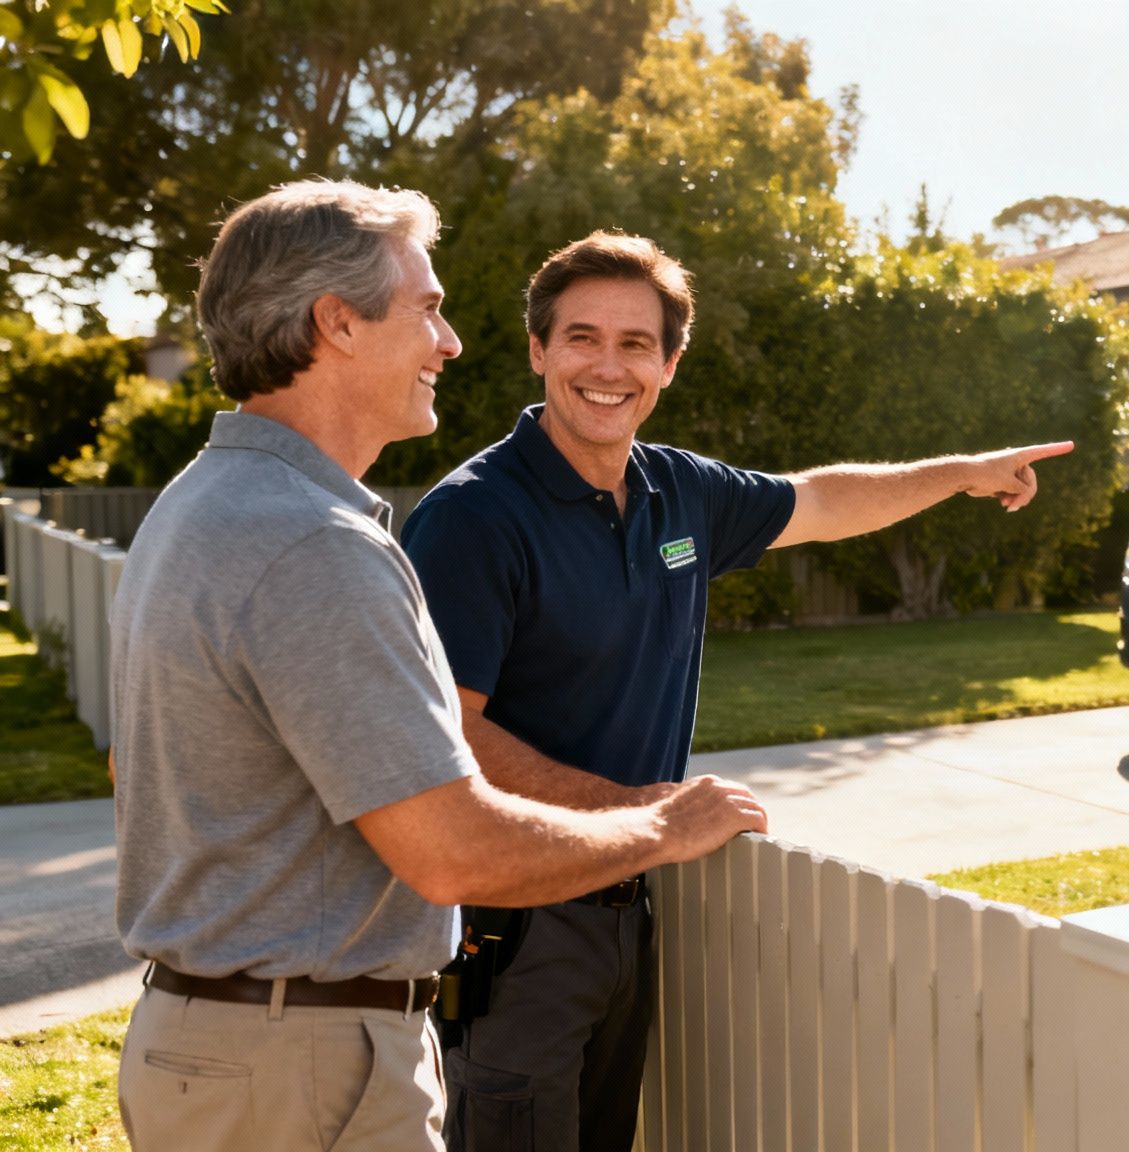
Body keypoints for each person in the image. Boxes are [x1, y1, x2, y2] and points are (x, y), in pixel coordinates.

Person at [109, 184, 768, 1152]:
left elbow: (136, 775)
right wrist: (660, 825)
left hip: (231, 1046)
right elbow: (448, 848)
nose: (451, 342)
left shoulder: (197, 505)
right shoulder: (312, 543)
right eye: (426, 308)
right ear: (336, 323)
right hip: (299, 1071)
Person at [400, 230, 1071, 1151]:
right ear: (538, 351)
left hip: (629, 909)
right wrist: (643, 816)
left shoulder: (679, 493)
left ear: (670, 364)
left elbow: (825, 500)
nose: (608, 366)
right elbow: (449, 738)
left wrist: (962, 474)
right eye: (582, 338)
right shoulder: (475, 517)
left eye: (636, 344)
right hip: (516, 926)